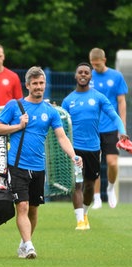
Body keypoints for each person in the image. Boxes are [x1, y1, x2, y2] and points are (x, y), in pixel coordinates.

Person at [0, 66, 80, 258]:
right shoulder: (14, 106)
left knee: (33, 209)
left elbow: (61, 137)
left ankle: (24, 243)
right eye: (35, 83)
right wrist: (18, 125)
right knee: (22, 206)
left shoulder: (50, 111)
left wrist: (73, 155)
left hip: (38, 167)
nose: (39, 87)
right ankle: (30, 245)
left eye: (41, 83)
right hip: (17, 165)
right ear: (27, 85)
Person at [61, 63, 128, 230]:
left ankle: (84, 213)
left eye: (86, 72)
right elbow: (60, 126)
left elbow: (114, 115)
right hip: (74, 148)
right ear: (75, 76)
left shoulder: (98, 97)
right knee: (77, 183)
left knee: (90, 185)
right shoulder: (68, 100)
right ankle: (79, 221)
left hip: (93, 148)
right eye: (80, 72)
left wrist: (122, 131)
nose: (83, 75)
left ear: (91, 77)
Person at [89, 48, 128, 209]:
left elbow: (121, 102)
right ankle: (97, 197)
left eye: (98, 64)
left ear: (104, 60)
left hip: (111, 126)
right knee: (94, 164)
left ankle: (110, 188)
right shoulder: (88, 77)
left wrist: (122, 127)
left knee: (112, 163)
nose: (95, 68)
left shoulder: (116, 76)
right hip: (92, 127)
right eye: (93, 65)